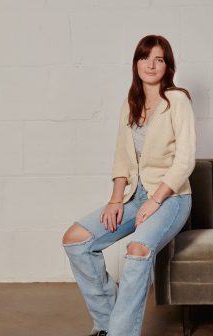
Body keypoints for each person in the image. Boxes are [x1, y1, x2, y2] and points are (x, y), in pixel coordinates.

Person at [62, 34, 196, 336]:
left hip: (172, 199)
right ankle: (108, 324)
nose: (151, 64)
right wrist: (115, 200)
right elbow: (122, 156)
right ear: (136, 62)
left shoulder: (177, 100)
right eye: (145, 57)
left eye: (159, 59)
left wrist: (157, 199)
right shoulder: (130, 102)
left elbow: (185, 161)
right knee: (76, 239)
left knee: (137, 251)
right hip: (136, 196)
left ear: (167, 65)